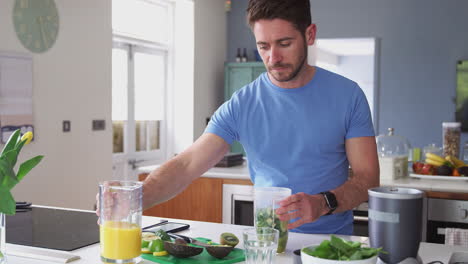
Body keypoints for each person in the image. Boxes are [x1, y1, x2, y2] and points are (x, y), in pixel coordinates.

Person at [98, 0, 379, 235]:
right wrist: (136, 196)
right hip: (268, 243)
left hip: (331, 247)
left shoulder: (348, 96)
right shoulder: (243, 103)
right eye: (264, 46)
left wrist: (323, 202)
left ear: (310, 35)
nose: (273, 57)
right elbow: (186, 165)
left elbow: (367, 179)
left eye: (284, 43)